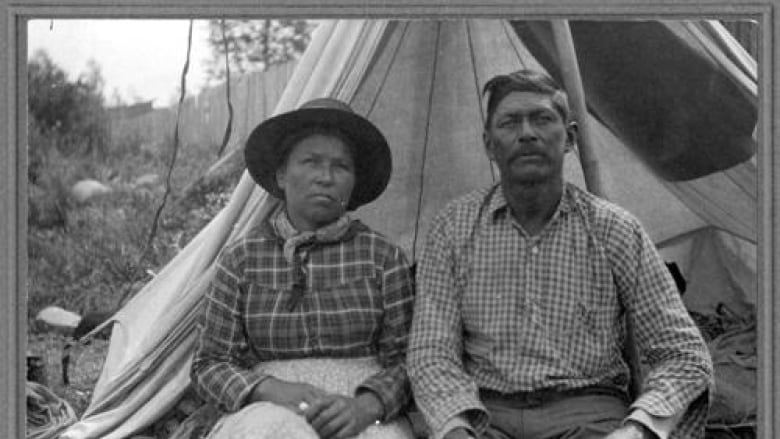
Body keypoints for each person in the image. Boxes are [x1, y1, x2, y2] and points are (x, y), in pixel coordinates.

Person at [406, 69, 713, 439]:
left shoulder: (614, 229)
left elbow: (684, 354)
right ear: (489, 144)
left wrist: (638, 429)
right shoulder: (453, 228)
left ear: (569, 138)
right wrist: (455, 428)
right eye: (509, 123)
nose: (527, 133)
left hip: (590, 414)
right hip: (485, 414)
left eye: (542, 119)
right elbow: (430, 351)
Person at [191, 98, 416, 439]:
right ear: (281, 175)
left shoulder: (382, 258)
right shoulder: (242, 259)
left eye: (341, 166)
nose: (325, 177)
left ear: (353, 182)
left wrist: (367, 405)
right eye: (310, 162)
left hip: (359, 407)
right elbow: (209, 364)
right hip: (267, 407)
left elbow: (410, 360)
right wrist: (268, 389)